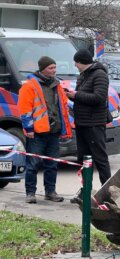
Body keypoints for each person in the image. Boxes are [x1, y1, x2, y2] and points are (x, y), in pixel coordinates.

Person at [17, 56, 72, 204]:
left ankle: (50, 192)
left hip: (53, 131)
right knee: (33, 164)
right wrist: (28, 128)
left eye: (55, 67)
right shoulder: (30, 86)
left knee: (52, 164)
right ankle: (30, 193)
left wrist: (64, 128)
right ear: (42, 69)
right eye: (51, 68)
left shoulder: (57, 85)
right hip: (37, 132)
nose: (54, 70)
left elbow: (63, 107)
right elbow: (25, 109)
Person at [65, 49, 111, 186]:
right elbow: (84, 98)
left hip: (94, 124)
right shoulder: (83, 75)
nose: (75, 65)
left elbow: (99, 98)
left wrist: (76, 95)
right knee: (84, 159)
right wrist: (71, 96)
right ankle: (86, 191)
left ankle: (107, 190)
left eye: (76, 62)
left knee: (100, 158)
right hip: (82, 123)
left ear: (81, 62)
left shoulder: (99, 75)